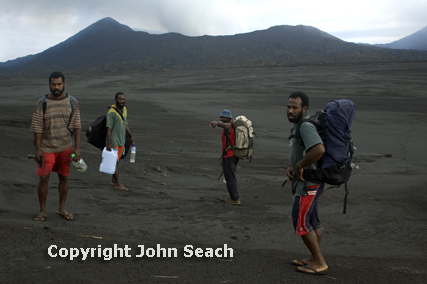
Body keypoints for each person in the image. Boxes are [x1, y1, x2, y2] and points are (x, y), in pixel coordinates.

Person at [286, 91, 328, 275]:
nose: (290, 110)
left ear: (304, 109)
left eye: (295, 107)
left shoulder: (305, 126)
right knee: (312, 220)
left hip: (308, 183)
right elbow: (302, 150)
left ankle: (320, 262)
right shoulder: (299, 126)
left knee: (301, 221)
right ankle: (313, 257)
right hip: (310, 181)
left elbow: (318, 149)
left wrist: (301, 165)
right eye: (288, 107)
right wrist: (292, 165)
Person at [30, 71, 81, 221]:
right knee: (44, 178)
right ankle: (42, 211)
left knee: (63, 177)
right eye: (53, 84)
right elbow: (37, 127)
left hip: (65, 147)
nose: (56, 87)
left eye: (59, 84)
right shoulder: (42, 102)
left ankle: (61, 208)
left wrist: (77, 148)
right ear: (49, 84)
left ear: (64, 84)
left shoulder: (73, 102)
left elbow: (77, 126)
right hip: (47, 147)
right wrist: (38, 149)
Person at [209, 110, 240, 205]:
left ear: (229, 119)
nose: (222, 118)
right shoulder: (230, 127)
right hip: (231, 156)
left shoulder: (229, 126)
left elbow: (223, 125)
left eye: (224, 117)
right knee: (230, 177)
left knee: (230, 178)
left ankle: (235, 199)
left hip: (229, 156)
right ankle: (234, 197)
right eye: (221, 117)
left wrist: (216, 123)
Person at [106, 92, 134, 191]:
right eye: (120, 99)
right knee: (115, 161)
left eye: (123, 99)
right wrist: (109, 142)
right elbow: (108, 128)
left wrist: (130, 136)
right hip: (114, 141)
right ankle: (118, 183)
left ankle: (114, 180)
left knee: (117, 161)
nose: (122, 101)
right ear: (115, 99)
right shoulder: (111, 112)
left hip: (121, 140)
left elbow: (125, 124)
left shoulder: (125, 110)